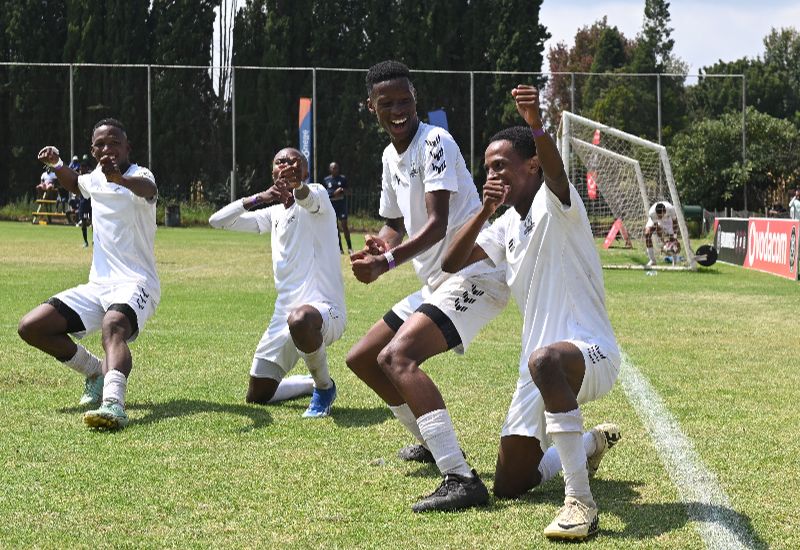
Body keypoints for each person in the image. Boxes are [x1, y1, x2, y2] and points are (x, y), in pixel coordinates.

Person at [442, 85, 621, 541]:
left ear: (533, 166)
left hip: (589, 352)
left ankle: (580, 501)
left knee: (545, 360)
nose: (492, 174)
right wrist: (484, 210)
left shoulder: (557, 202)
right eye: (488, 168)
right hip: (536, 371)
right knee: (511, 483)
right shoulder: (504, 223)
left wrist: (537, 125)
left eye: (501, 165)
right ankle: (588, 443)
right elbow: (450, 262)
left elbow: (558, 173)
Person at [346, 60, 509, 512]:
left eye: (405, 100)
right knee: (363, 358)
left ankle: (460, 477)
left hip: (476, 274)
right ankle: (430, 441)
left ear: (415, 99)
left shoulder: (435, 141)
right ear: (371, 107)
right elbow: (395, 223)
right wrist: (382, 244)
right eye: (387, 103)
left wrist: (386, 263)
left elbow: (437, 224)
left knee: (396, 357)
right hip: (437, 282)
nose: (398, 110)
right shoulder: (389, 157)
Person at [18, 118, 159, 430]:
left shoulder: (139, 175)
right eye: (100, 144)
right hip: (98, 285)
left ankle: (113, 404)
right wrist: (57, 164)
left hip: (137, 283)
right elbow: (75, 184)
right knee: (32, 327)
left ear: (128, 148)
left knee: (113, 325)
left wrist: (120, 179)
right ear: (93, 151)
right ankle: (95, 371)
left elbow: (149, 190)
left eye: (114, 143)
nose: (108, 148)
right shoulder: (95, 178)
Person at [209, 147, 345, 418]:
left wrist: (298, 186)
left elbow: (306, 198)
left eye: (294, 161)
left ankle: (324, 387)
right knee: (258, 394)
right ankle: (308, 383)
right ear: (273, 173)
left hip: (324, 311)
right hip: (283, 318)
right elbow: (217, 221)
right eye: (280, 161)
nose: (287, 164)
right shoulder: (273, 214)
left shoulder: (318, 195)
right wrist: (259, 198)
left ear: (305, 171)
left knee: (300, 319)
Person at [324, 161, 353, 254]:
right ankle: (340, 248)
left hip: (341, 205)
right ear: (330, 169)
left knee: (344, 225)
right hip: (332, 206)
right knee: (335, 227)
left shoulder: (342, 179)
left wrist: (342, 190)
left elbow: (349, 192)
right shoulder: (326, 180)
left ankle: (349, 247)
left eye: (336, 168)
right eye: (333, 168)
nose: (335, 169)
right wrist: (334, 193)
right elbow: (325, 194)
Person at [644, 201, 680, 267]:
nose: (660, 217)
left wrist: (674, 235)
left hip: (668, 219)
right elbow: (657, 227)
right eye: (658, 215)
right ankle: (652, 261)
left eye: (661, 215)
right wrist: (663, 240)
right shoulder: (652, 212)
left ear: (665, 211)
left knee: (673, 239)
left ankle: (674, 263)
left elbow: (675, 222)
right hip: (656, 221)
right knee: (647, 234)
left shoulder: (671, 209)